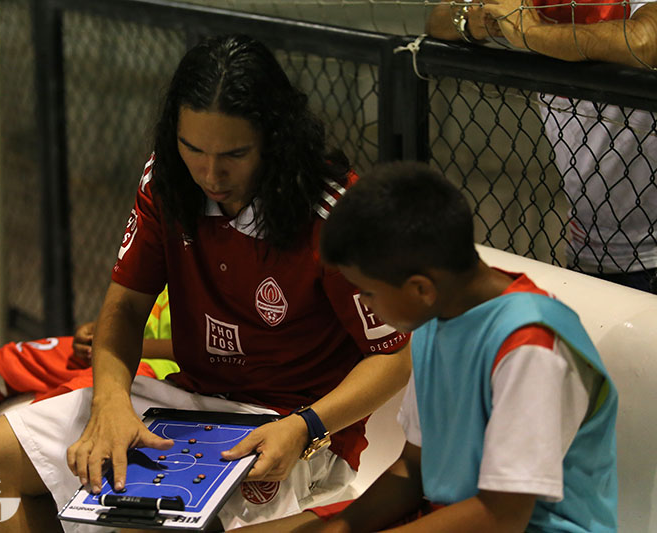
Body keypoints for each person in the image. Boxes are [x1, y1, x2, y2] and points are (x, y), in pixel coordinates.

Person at [0, 34, 411, 533]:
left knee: (154, 522)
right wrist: (110, 405)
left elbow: (393, 356)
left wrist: (305, 427)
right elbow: (127, 307)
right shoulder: (166, 183)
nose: (209, 172)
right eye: (191, 147)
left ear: (275, 139)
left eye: (234, 154)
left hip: (288, 425)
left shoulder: (333, 214)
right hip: (187, 401)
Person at [230, 161, 618, 532]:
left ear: (420, 288)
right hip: (445, 512)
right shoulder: (435, 317)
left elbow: (500, 518)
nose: (363, 304)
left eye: (367, 291)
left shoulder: (531, 347)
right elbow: (413, 469)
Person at [426, 0, 657, 293]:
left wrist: (528, 32)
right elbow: (437, 20)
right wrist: (478, 21)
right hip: (589, 244)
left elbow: (644, 41)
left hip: (650, 252)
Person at [0, 289, 176, 533]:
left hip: (158, 369)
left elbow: (205, 353)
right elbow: (126, 308)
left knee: (40, 419)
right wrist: (93, 331)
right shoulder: (150, 238)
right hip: (118, 348)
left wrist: (112, 343)